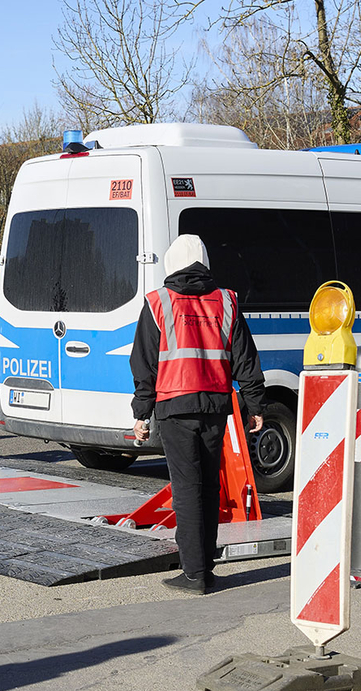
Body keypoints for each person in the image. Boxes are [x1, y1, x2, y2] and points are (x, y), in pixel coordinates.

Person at [130, 234, 266, 595]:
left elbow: (144, 363)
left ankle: (194, 574)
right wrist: (255, 405)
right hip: (215, 407)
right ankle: (205, 567)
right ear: (205, 262)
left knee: (187, 490)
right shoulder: (226, 301)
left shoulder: (158, 302)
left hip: (175, 407)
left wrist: (142, 413)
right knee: (208, 487)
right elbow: (245, 359)